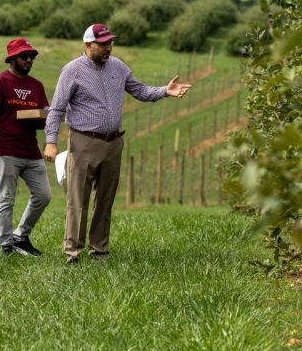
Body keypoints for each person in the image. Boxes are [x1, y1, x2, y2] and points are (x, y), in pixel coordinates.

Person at [43, 23, 192, 263]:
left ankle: (99, 251)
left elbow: (140, 90)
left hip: (113, 144)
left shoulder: (119, 67)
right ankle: (73, 252)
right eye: (102, 44)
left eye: (110, 43)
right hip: (83, 142)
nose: (108, 48)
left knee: (105, 199)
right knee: (77, 200)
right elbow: (57, 109)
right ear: (87, 45)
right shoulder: (72, 71)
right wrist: (51, 141)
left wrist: (165, 90)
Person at [0, 38, 51, 256]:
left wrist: (44, 118)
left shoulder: (36, 86)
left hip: (31, 150)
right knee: (6, 198)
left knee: (44, 195)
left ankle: (20, 236)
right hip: (5, 149)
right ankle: (5, 245)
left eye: (32, 56)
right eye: (24, 56)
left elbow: (43, 118)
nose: (29, 60)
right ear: (12, 58)